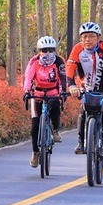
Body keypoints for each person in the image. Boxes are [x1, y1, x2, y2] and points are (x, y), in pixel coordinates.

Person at [66, 21, 103, 167]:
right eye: (84, 37)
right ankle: (81, 142)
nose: (87, 40)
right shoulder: (77, 49)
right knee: (83, 113)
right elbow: (70, 67)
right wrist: (71, 85)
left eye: (91, 36)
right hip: (87, 89)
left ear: (98, 37)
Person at [23, 36, 67, 168]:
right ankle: (35, 152)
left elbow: (63, 78)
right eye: (44, 50)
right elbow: (28, 77)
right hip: (37, 94)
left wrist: (63, 92)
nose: (47, 53)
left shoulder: (59, 61)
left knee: (55, 105)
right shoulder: (34, 62)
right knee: (35, 126)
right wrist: (26, 91)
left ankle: (55, 128)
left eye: (50, 50)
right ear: (39, 51)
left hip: (53, 92)